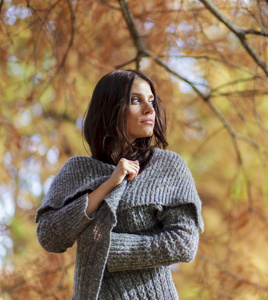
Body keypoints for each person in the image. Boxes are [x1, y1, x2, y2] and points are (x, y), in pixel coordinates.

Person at [35, 69, 204, 300]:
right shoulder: (78, 171)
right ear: (110, 107)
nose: (149, 109)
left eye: (151, 101)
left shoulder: (167, 166)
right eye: (136, 100)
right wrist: (107, 186)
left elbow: (183, 243)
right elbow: (49, 236)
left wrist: (104, 248)